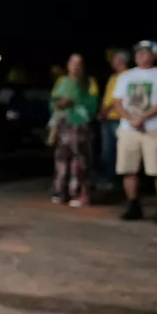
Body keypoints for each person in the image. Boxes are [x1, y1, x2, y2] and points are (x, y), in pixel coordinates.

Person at [112, 40, 157, 222]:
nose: (140, 55)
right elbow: (117, 102)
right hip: (128, 129)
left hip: (154, 129)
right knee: (128, 169)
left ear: (154, 55)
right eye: (138, 52)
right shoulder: (125, 76)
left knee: (156, 170)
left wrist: (143, 117)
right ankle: (133, 205)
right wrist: (130, 118)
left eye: (145, 52)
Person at [49, 53, 99, 207]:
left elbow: (92, 104)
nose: (74, 66)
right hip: (63, 125)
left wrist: (74, 101)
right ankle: (60, 191)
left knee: (80, 160)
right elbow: (52, 101)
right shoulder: (62, 81)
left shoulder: (89, 82)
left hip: (80, 125)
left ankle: (80, 193)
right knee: (61, 158)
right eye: (72, 62)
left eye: (78, 63)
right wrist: (58, 104)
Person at [98, 49, 130, 191]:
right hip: (108, 118)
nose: (112, 62)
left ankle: (119, 181)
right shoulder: (113, 76)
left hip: (118, 118)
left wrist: (105, 110)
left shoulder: (127, 75)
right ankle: (108, 179)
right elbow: (107, 97)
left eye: (114, 59)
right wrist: (102, 110)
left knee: (119, 151)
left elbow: (118, 98)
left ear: (121, 60)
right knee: (107, 151)